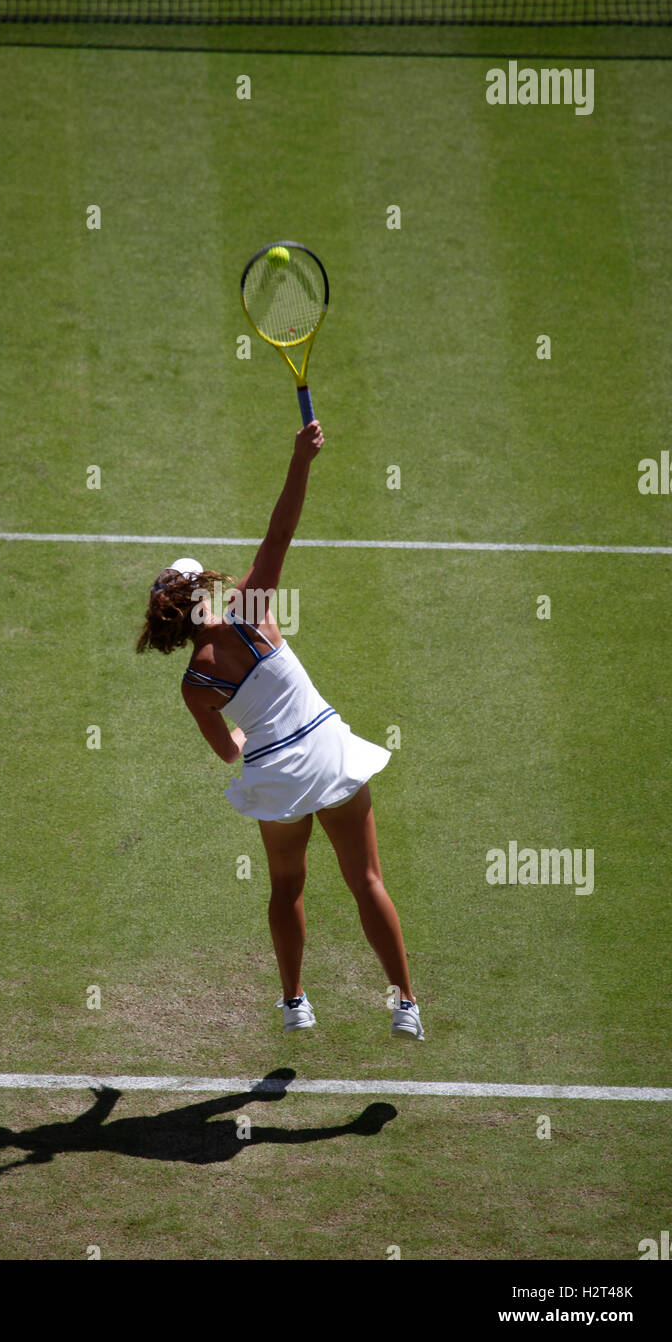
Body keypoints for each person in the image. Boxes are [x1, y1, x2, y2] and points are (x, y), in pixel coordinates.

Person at [136, 420, 423, 1040]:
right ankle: (405, 1003)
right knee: (366, 879)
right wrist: (301, 458)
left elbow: (227, 750)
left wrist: (258, 742)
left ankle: (295, 1003)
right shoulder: (248, 609)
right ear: (203, 592)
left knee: (286, 886)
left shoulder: (195, 684)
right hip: (327, 752)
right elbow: (281, 528)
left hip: (274, 775)